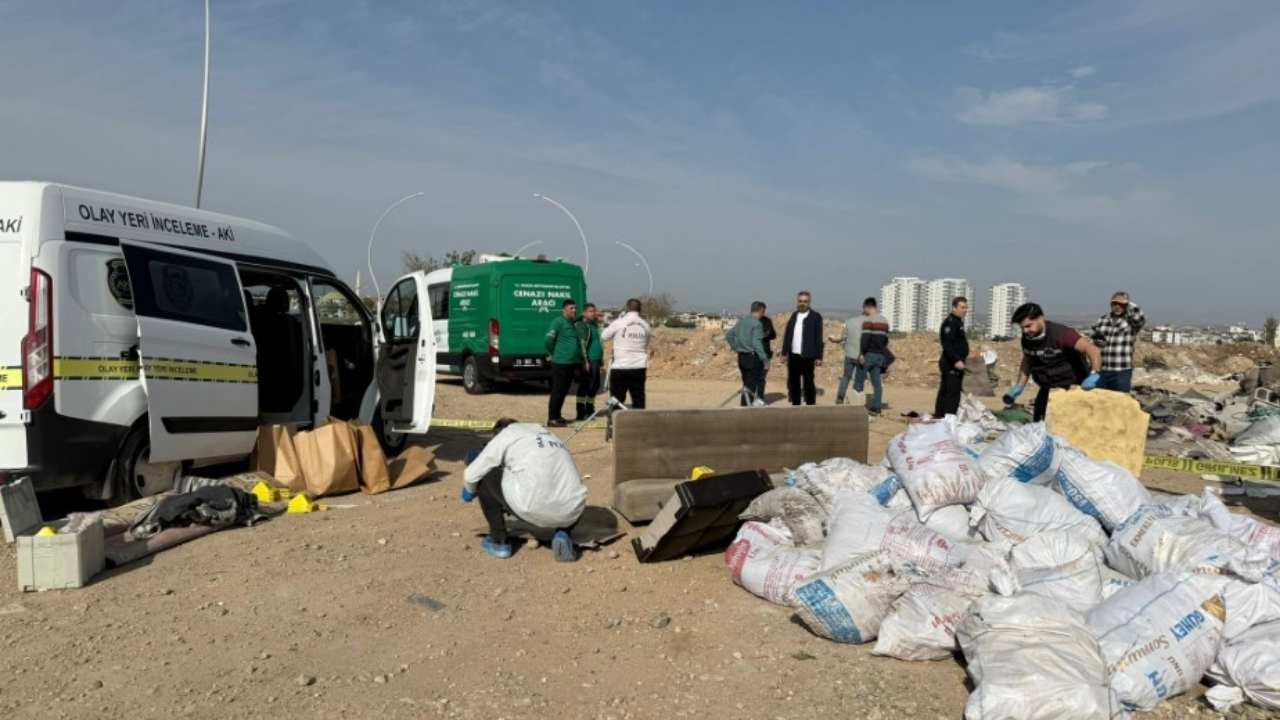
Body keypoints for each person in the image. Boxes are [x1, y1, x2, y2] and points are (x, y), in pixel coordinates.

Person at [462, 418, 588, 561]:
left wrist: (469, 490)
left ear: (498, 433)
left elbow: (472, 474)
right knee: (567, 492)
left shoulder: (506, 434)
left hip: (530, 507)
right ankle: (563, 533)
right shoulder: (547, 434)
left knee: (485, 474)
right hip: (572, 510)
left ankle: (499, 541)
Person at [1005, 302, 1104, 422]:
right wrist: (1019, 386)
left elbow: (1093, 350)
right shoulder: (1027, 339)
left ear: (1040, 318)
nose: (1025, 331)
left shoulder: (1062, 334)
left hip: (1072, 388)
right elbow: (1027, 360)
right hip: (1048, 388)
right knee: (1040, 423)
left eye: (1028, 326)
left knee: (1072, 425)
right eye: (1022, 328)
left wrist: (1094, 374)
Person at [1090, 291, 1146, 393]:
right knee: (1100, 400)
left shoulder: (1131, 322)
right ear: (1110, 304)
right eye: (1115, 303)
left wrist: (1128, 303)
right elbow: (1094, 337)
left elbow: (1140, 317)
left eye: (1121, 304)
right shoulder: (1103, 319)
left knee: (1121, 402)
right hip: (1102, 370)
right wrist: (1096, 341)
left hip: (1121, 371)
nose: (1117, 307)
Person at [602, 298, 651, 409]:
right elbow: (646, 343)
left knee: (616, 399)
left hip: (620, 367)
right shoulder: (645, 325)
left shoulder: (619, 322)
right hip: (639, 366)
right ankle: (639, 422)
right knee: (638, 398)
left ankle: (615, 423)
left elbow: (604, 336)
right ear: (640, 309)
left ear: (627, 308)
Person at [545, 299, 583, 427]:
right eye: (571, 308)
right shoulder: (558, 322)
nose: (574, 310)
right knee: (558, 390)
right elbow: (548, 340)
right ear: (564, 310)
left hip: (570, 363)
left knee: (564, 390)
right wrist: (552, 353)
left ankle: (558, 416)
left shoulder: (572, 323)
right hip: (560, 363)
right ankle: (552, 419)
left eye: (575, 308)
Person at [781, 291, 824, 405]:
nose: (802, 303)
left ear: (809, 302)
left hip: (808, 355)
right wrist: (784, 353)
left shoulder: (815, 317)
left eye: (805, 301)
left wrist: (819, 356)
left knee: (808, 383)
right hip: (793, 355)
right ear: (797, 302)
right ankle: (796, 406)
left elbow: (818, 338)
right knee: (794, 383)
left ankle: (810, 407)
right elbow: (788, 335)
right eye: (800, 301)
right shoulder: (794, 316)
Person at [726, 302, 769, 406]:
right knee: (751, 386)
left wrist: (736, 348)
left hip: (742, 358)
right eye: (764, 311)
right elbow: (756, 343)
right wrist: (764, 359)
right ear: (761, 310)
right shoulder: (757, 324)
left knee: (746, 385)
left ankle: (747, 407)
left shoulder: (742, 321)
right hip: (752, 358)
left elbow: (729, 335)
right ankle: (746, 410)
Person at [934, 296, 971, 418]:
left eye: (966, 307)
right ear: (954, 308)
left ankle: (941, 417)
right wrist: (956, 360)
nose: (965, 310)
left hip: (955, 362)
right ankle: (947, 419)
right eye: (962, 307)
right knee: (952, 394)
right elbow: (947, 345)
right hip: (951, 363)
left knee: (946, 391)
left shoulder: (958, 322)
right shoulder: (950, 323)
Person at [856, 299, 891, 415]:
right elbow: (886, 340)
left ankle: (857, 406)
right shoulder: (885, 321)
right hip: (880, 356)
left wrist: (861, 353)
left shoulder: (868, 320)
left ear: (867, 307)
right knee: (877, 383)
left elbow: (865, 339)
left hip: (869, 354)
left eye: (864, 309)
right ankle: (876, 407)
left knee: (859, 378)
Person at [832, 300, 869, 405]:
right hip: (863, 356)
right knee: (860, 378)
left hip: (849, 355)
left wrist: (834, 340)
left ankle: (840, 397)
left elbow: (843, 338)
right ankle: (856, 400)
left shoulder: (849, 321)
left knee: (846, 377)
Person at [575, 303, 604, 421]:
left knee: (595, 384)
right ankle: (581, 412)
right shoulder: (582, 325)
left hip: (596, 359)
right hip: (589, 360)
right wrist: (585, 360)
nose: (593, 313)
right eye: (590, 311)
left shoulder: (595, 325)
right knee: (585, 385)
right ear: (585, 313)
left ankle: (590, 408)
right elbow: (582, 344)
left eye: (594, 311)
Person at [759, 304, 778, 401]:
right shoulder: (749, 322)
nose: (762, 312)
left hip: (765, 355)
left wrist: (767, 334)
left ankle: (759, 398)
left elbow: (774, 335)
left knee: (762, 377)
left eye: (763, 310)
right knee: (752, 379)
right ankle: (749, 399)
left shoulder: (767, 321)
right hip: (753, 354)